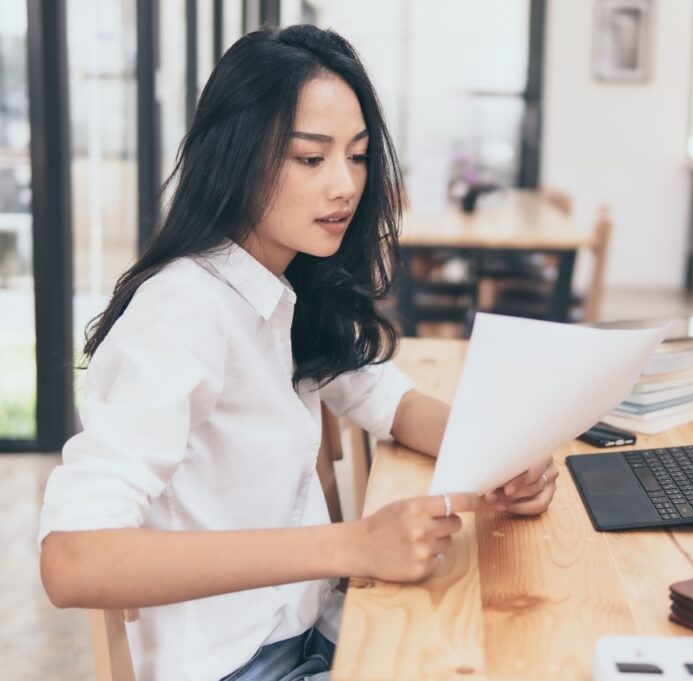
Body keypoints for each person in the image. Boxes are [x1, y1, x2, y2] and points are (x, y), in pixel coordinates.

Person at [38, 25, 557, 681]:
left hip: (315, 635)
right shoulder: (183, 311)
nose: (345, 184)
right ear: (235, 156)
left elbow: (382, 395)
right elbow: (72, 560)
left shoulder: (288, 281)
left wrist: (499, 458)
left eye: (359, 156)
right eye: (311, 159)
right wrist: (351, 545)